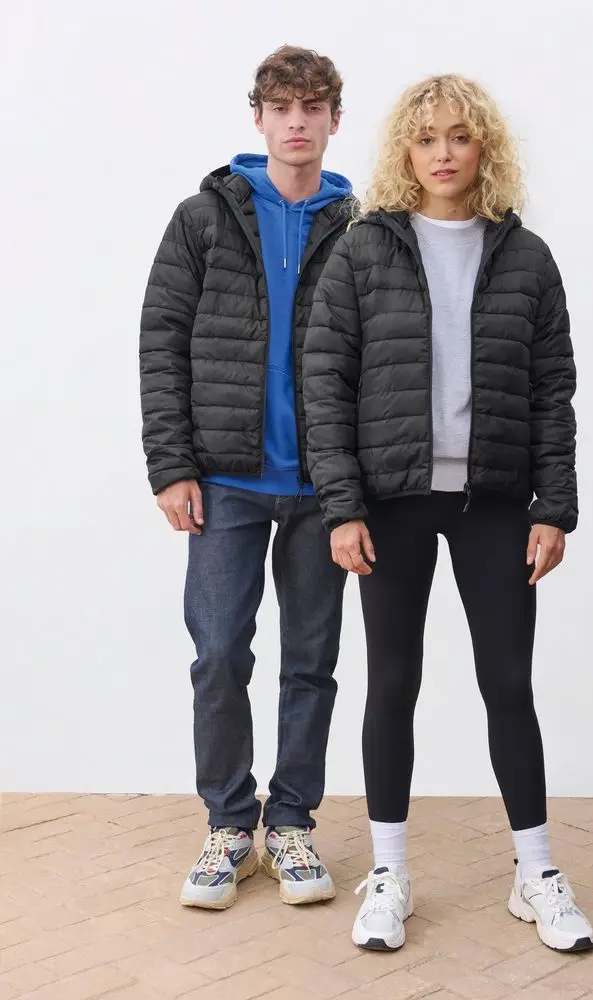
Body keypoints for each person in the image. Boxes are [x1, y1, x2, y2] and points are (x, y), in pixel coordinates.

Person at [303, 74, 593, 953]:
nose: (443, 152)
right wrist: (342, 508)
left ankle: (536, 872)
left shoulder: (526, 257)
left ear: (483, 147)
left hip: (495, 502)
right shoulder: (363, 251)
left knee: (508, 683)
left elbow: (552, 392)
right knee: (393, 682)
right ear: (406, 148)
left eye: (460, 136)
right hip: (389, 501)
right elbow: (326, 385)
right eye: (427, 137)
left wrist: (555, 507)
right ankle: (389, 872)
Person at [140, 46, 354, 910]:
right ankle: (230, 824)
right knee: (221, 652)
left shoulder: (364, 225)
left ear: (335, 118)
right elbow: (161, 340)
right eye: (282, 107)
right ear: (258, 117)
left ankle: (292, 822)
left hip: (325, 486)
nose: (297, 122)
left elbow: (384, 356)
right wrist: (171, 465)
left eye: (313, 106)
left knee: (312, 660)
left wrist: (364, 483)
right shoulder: (204, 217)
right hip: (225, 479)